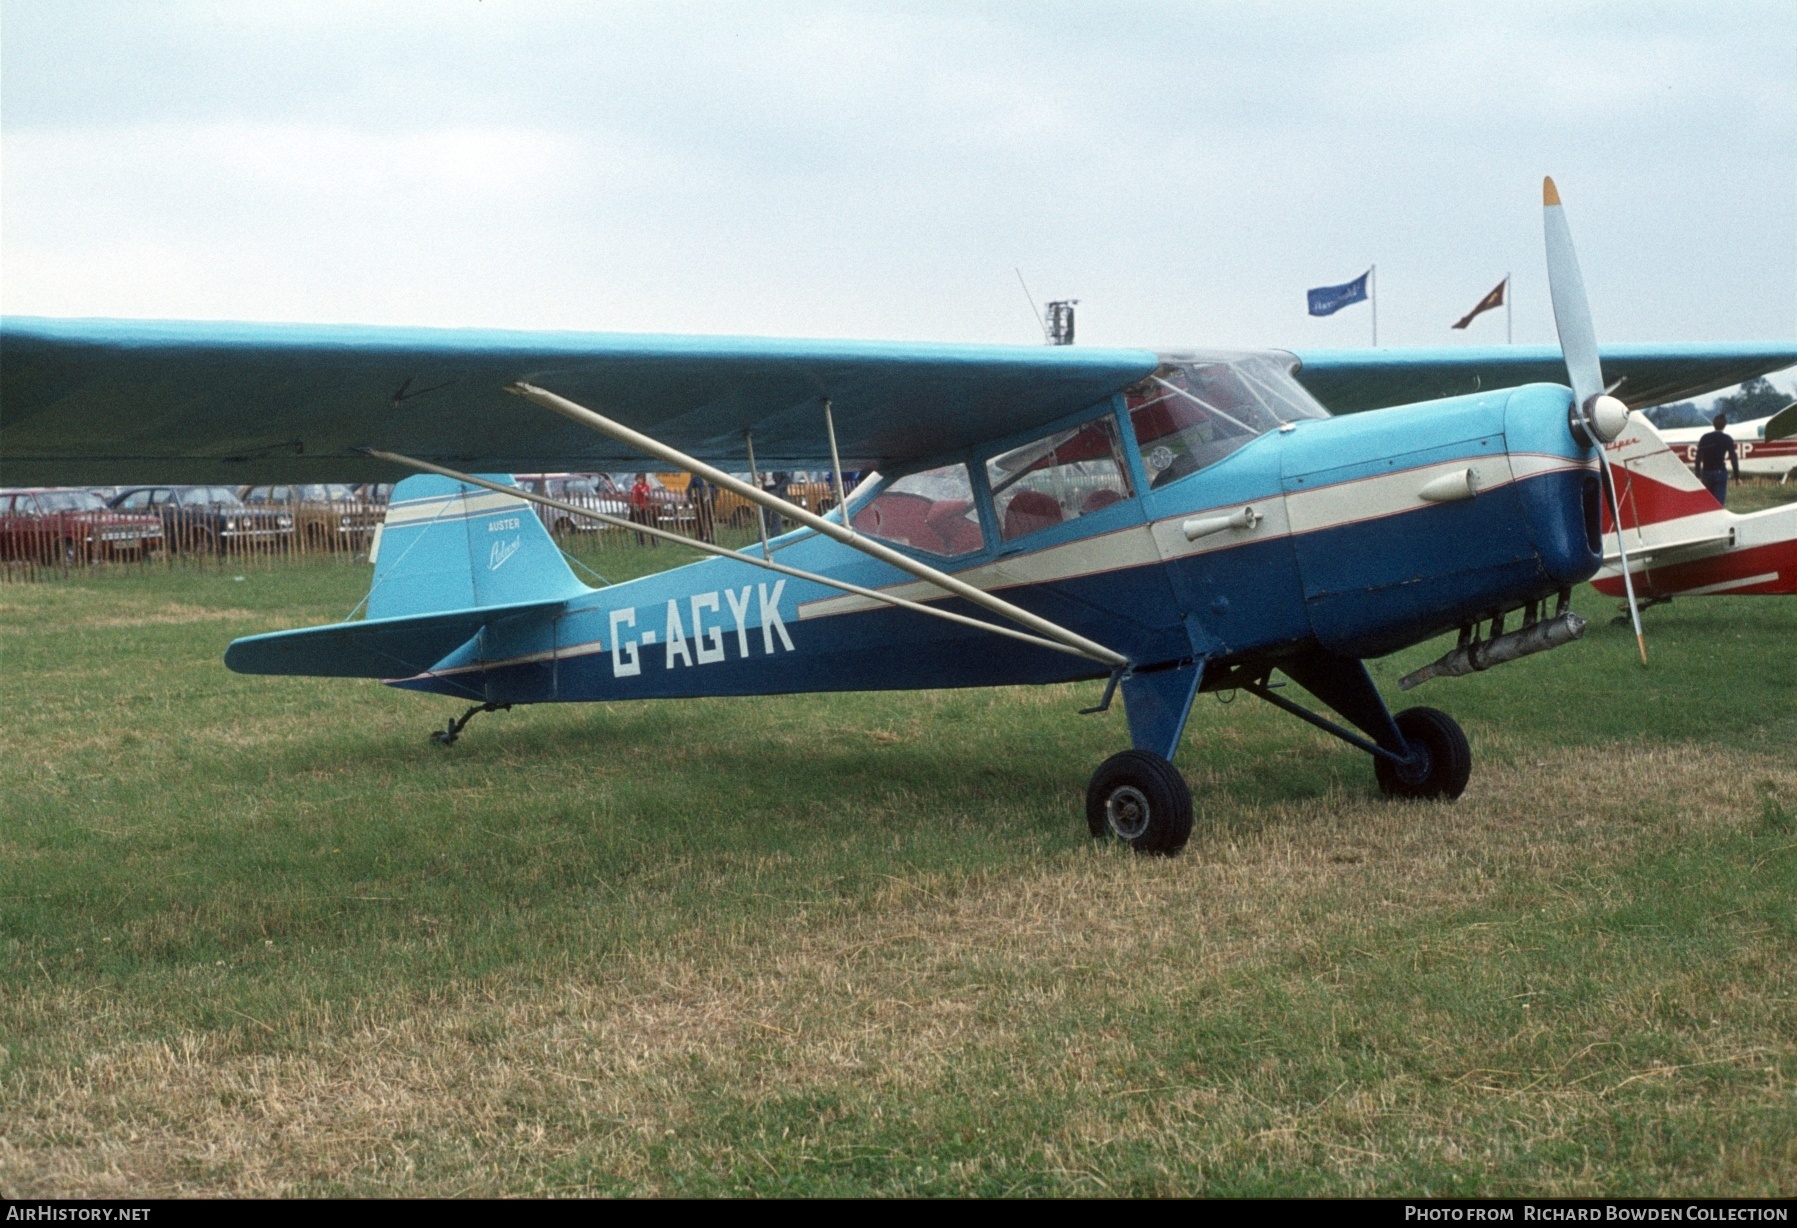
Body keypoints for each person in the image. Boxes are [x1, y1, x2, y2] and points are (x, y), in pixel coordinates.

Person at [1695, 412, 1740, 506]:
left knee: (1707, 504)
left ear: (1713, 424)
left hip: (1706, 472)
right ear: (1725, 425)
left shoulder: (1705, 438)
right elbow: (1733, 459)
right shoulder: (1727, 439)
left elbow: (1698, 457)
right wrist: (1737, 477)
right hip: (1720, 472)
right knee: (1719, 504)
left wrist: (1698, 474)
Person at [628, 473, 658, 547]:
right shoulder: (634, 487)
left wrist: (643, 491)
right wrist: (633, 503)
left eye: (640, 479)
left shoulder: (646, 487)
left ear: (643, 479)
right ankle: (641, 543)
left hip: (645, 508)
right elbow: (633, 497)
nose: (639, 480)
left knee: (649, 525)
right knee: (638, 526)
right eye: (638, 479)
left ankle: (654, 542)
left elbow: (647, 496)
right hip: (637, 509)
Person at [688, 473, 715, 543]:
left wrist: (712, 494)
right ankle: (700, 537)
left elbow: (715, 488)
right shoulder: (696, 478)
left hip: (709, 500)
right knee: (700, 519)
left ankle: (709, 537)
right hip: (700, 500)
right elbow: (689, 490)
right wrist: (693, 502)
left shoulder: (710, 477)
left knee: (709, 519)